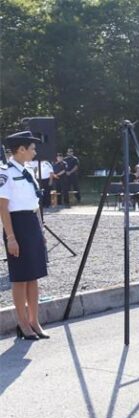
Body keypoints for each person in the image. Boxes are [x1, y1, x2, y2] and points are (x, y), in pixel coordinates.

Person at [0, 131, 50, 340]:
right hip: (17, 225)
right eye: (32, 148)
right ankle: (22, 323)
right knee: (20, 278)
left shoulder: (28, 170)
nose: (35, 151)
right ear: (21, 149)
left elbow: (35, 204)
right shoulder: (5, 172)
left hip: (32, 223)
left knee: (34, 275)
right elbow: (3, 207)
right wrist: (11, 237)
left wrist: (41, 229)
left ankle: (34, 320)